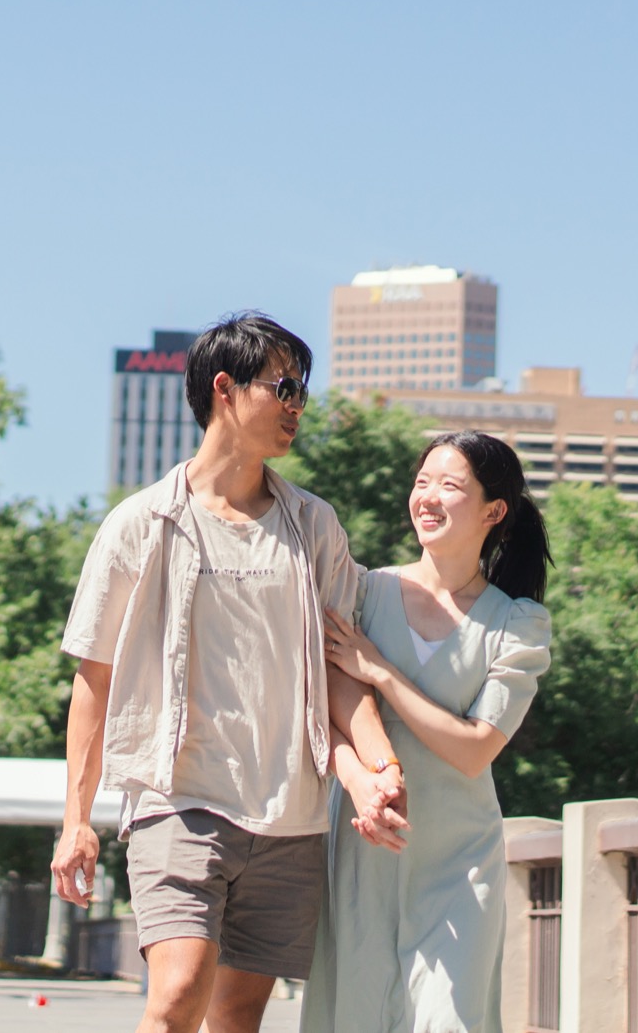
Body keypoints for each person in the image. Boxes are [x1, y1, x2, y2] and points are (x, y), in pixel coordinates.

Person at [54, 312, 408, 1033]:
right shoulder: (141, 523)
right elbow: (95, 681)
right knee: (177, 995)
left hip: (289, 814)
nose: (296, 406)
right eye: (283, 387)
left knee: (238, 1016)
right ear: (225, 388)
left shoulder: (313, 526)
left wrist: (380, 766)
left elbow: (342, 668)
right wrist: (76, 821)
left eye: (301, 390)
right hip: (178, 799)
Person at [305, 430, 555, 1033]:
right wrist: (364, 777)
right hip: (363, 847)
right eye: (422, 483)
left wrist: (380, 672)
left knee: (451, 1022)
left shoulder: (517, 623)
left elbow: (475, 749)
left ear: (494, 511)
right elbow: (322, 709)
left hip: (459, 862)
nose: (428, 497)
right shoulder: (361, 592)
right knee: (355, 1017)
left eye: (450, 485)